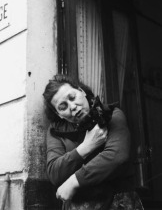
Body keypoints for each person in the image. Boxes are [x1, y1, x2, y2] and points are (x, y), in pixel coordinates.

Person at [43, 74, 143, 210]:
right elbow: (54, 173)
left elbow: (117, 156)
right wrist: (86, 147)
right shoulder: (56, 132)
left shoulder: (112, 114)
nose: (72, 106)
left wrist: (73, 181)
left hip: (118, 202)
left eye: (72, 97)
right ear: (59, 114)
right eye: (63, 106)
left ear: (82, 92)